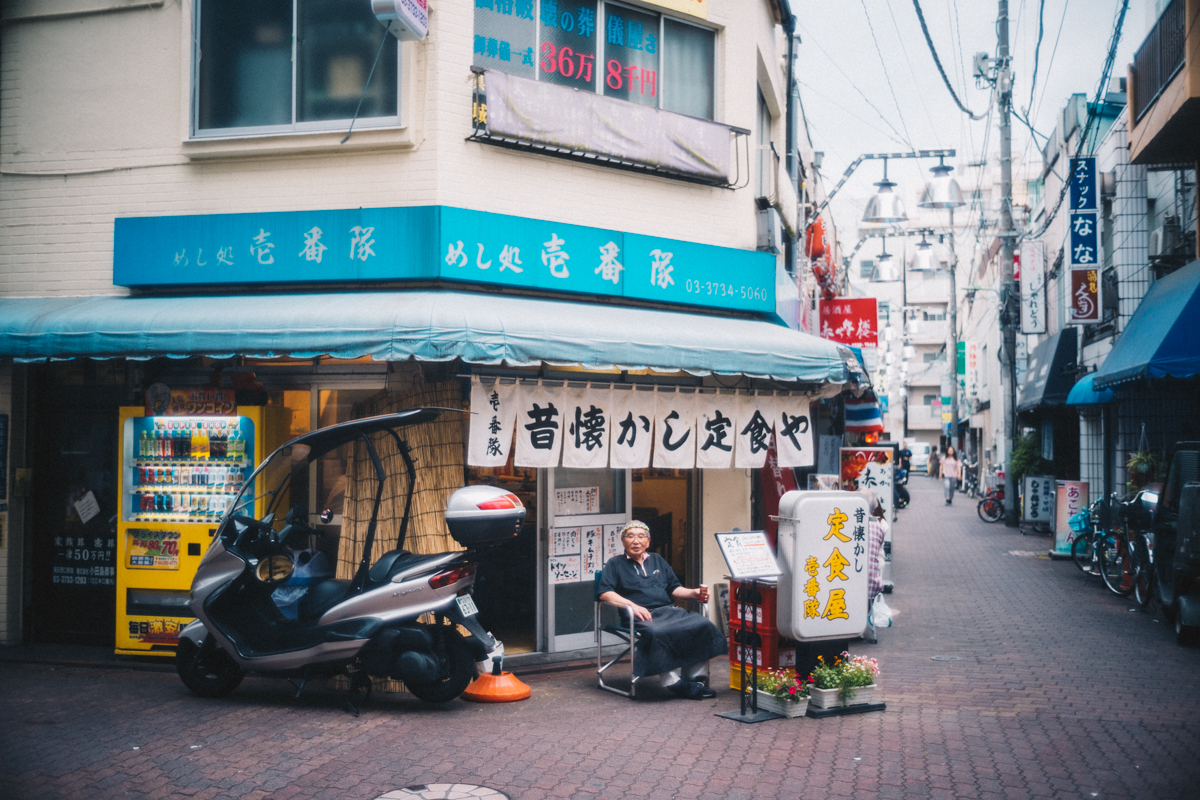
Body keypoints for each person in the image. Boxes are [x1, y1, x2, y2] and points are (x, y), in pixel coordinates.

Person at [597, 521, 726, 699]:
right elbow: (605, 592)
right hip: (640, 617)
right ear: (623, 541)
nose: (636, 541)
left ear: (648, 542)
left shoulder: (657, 560)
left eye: (641, 536)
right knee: (656, 632)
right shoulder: (615, 564)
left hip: (669, 611)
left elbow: (674, 588)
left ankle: (695, 679)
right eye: (630, 536)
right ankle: (674, 682)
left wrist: (693, 593)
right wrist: (632, 606)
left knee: (701, 624)